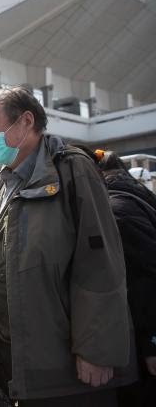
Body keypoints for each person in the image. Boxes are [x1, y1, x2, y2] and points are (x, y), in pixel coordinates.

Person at [0, 86, 136, 406]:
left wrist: (96, 349)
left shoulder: (71, 169)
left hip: (68, 370)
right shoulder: (1, 184)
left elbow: (100, 261)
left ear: (25, 122)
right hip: (18, 364)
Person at [80, 148, 156, 407]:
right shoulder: (133, 195)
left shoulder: (115, 212)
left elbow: (145, 279)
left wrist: (151, 343)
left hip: (141, 343)